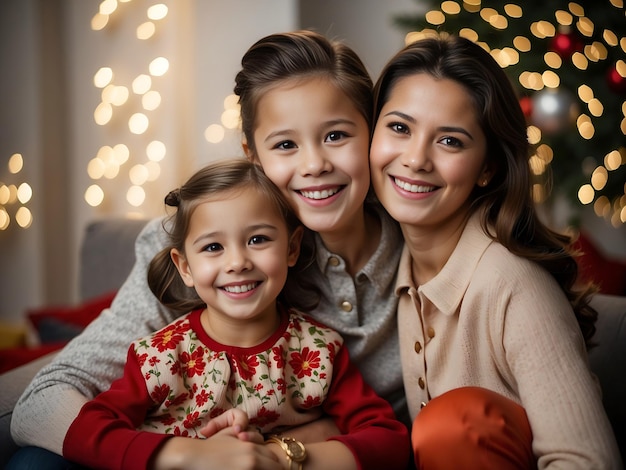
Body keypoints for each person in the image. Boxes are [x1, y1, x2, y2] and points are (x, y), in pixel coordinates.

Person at [10, 31, 406, 468]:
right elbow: (40, 405)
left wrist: (291, 447)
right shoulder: (196, 249)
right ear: (253, 155)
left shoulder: (420, 237)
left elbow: (392, 432)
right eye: (285, 145)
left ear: (373, 135)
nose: (314, 165)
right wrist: (185, 455)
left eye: (335, 136)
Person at [369, 33, 622, 469]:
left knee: (449, 422)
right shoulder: (396, 267)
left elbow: (588, 462)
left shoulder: (514, 286)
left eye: (449, 141)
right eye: (399, 127)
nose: (415, 158)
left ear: (487, 167)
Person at [62, 159, 410, 470]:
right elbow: (83, 432)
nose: (238, 262)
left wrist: (279, 457)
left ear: (291, 248)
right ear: (185, 267)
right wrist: (187, 455)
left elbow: (389, 439)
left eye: (258, 240)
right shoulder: (160, 358)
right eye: (213, 247)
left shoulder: (318, 352)